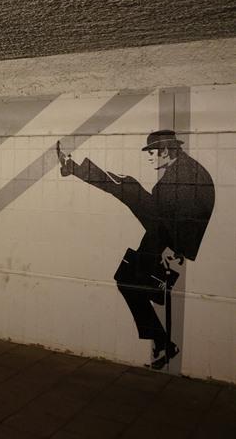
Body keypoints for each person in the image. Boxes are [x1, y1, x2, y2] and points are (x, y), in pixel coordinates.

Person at [57, 130, 215, 369]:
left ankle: (160, 324)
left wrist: (174, 250)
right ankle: (161, 330)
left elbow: (189, 215)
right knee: (129, 188)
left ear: (166, 151)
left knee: (128, 279)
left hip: (169, 235)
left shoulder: (181, 177)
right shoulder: (181, 171)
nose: (149, 157)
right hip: (167, 229)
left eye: (152, 152)